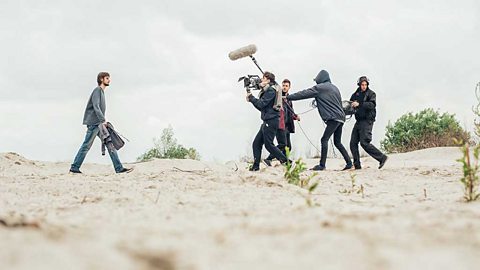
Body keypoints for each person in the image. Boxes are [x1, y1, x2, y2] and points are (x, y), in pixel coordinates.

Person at [287, 70, 352, 171]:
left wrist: (288, 97)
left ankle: (322, 165)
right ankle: (349, 163)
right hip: (341, 118)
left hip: (333, 118)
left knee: (324, 139)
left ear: (321, 79)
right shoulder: (335, 88)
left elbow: (304, 93)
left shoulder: (320, 88)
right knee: (337, 142)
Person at [70, 72, 133, 174]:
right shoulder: (97, 90)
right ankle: (74, 167)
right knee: (86, 145)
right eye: (107, 78)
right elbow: (96, 106)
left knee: (110, 144)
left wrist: (103, 120)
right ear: (101, 79)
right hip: (94, 124)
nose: (109, 80)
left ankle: (119, 168)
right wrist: (103, 119)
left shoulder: (102, 92)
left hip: (99, 123)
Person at [247, 71, 289, 171]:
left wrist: (251, 98)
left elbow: (261, 104)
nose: (261, 80)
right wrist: (251, 98)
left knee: (269, 145)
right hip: (267, 120)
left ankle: (287, 162)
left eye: (263, 78)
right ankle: (255, 166)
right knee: (256, 143)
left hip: (271, 120)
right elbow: (262, 107)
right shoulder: (269, 89)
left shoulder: (271, 91)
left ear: (268, 80)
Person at [349, 76, 388, 169]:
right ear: (359, 85)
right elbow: (350, 105)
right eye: (362, 84)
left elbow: (372, 105)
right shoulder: (355, 95)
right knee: (353, 143)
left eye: (365, 84)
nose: (364, 86)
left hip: (367, 121)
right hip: (358, 121)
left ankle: (382, 158)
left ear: (367, 85)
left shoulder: (371, 94)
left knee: (364, 143)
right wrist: (350, 107)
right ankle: (357, 165)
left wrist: (360, 104)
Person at [264, 79, 299, 166]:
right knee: (282, 144)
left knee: (288, 147)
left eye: (286, 86)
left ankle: (283, 161)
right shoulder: (279, 96)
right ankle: (269, 159)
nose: (284, 87)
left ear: (289, 87)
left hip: (287, 125)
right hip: (279, 124)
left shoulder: (289, 99)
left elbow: (290, 111)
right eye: (283, 85)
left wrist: (295, 116)